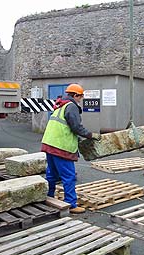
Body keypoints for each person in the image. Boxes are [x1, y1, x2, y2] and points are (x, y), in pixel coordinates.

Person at [41, 83, 101, 213]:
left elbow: (66, 127)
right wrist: (91, 135)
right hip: (61, 146)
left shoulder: (60, 105)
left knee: (51, 174)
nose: (81, 99)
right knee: (69, 176)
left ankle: (49, 197)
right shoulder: (71, 106)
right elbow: (76, 126)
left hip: (49, 143)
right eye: (80, 96)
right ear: (74, 95)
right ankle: (71, 204)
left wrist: (78, 138)